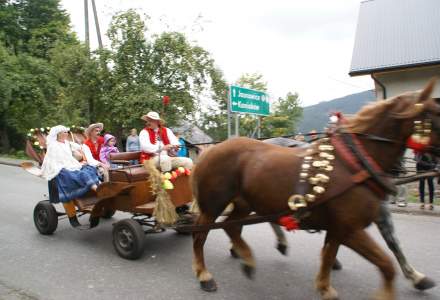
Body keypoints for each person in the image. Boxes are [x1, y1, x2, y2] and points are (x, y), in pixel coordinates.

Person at [40, 125, 100, 227]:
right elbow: (56, 161)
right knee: (81, 174)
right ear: (58, 134)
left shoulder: (67, 143)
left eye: (67, 132)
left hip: (71, 165)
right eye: (64, 132)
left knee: (91, 169)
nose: (66, 134)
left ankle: (96, 194)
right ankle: (97, 190)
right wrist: (74, 164)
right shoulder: (53, 146)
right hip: (61, 169)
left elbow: (81, 147)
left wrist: (83, 151)